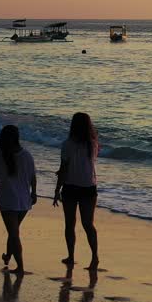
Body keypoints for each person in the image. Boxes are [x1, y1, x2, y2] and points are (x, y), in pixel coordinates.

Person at [0, 125, 37, 274]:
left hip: (7, 200)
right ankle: (7, 256)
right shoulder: (27, 155)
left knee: (13, 233)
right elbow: (33, 177)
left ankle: (20, 267)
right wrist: (34, 193)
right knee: (13, 232)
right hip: (24, 201)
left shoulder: (0, 154)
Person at [53, 112, 100, 269]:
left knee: (69, 224)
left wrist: (56, 190)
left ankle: (71, 256)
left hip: (71, 186)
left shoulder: (67, 144)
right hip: (89, 187)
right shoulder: (93, 143)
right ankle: (94, 257)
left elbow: (64, 169)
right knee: (88, 224)